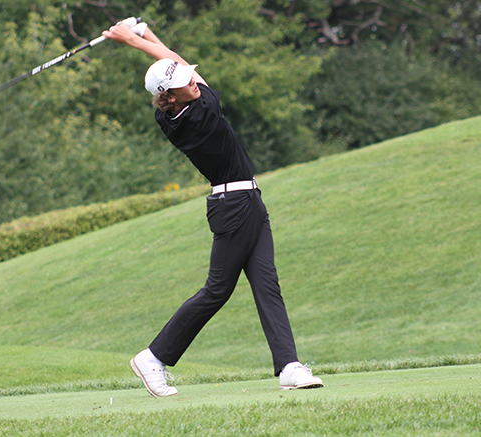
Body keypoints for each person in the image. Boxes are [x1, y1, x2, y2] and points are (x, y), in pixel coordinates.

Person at [103, 21, 322, 397]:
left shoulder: (171, 108)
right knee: (217, 290)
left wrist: (147, 35)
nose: (193, 81)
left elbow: (176, 66)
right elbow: (178, 64)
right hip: (233, 206)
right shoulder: (200, 112)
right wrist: (132, 41)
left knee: (267, 284)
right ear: (169, 97)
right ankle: (153, 357)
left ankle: (288, 366)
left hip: (246, 202)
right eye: (184, 83)